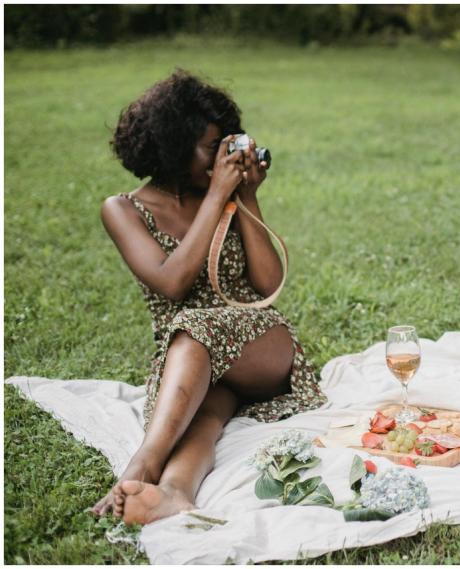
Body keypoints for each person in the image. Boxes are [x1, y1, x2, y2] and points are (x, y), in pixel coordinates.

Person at [91, 70, 327, 524]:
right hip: (192, 360)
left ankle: (142, 462)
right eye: (212, 146)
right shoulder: (122, 209)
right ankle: (175, 493)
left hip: (262, 344)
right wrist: (218, 193)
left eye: (228, 144)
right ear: (174, 145)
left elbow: (267, 283)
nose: (223, 158)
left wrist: (243, 197)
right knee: (203, 418)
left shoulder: (223, 195)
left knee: (197, 328)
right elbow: (172, 283)